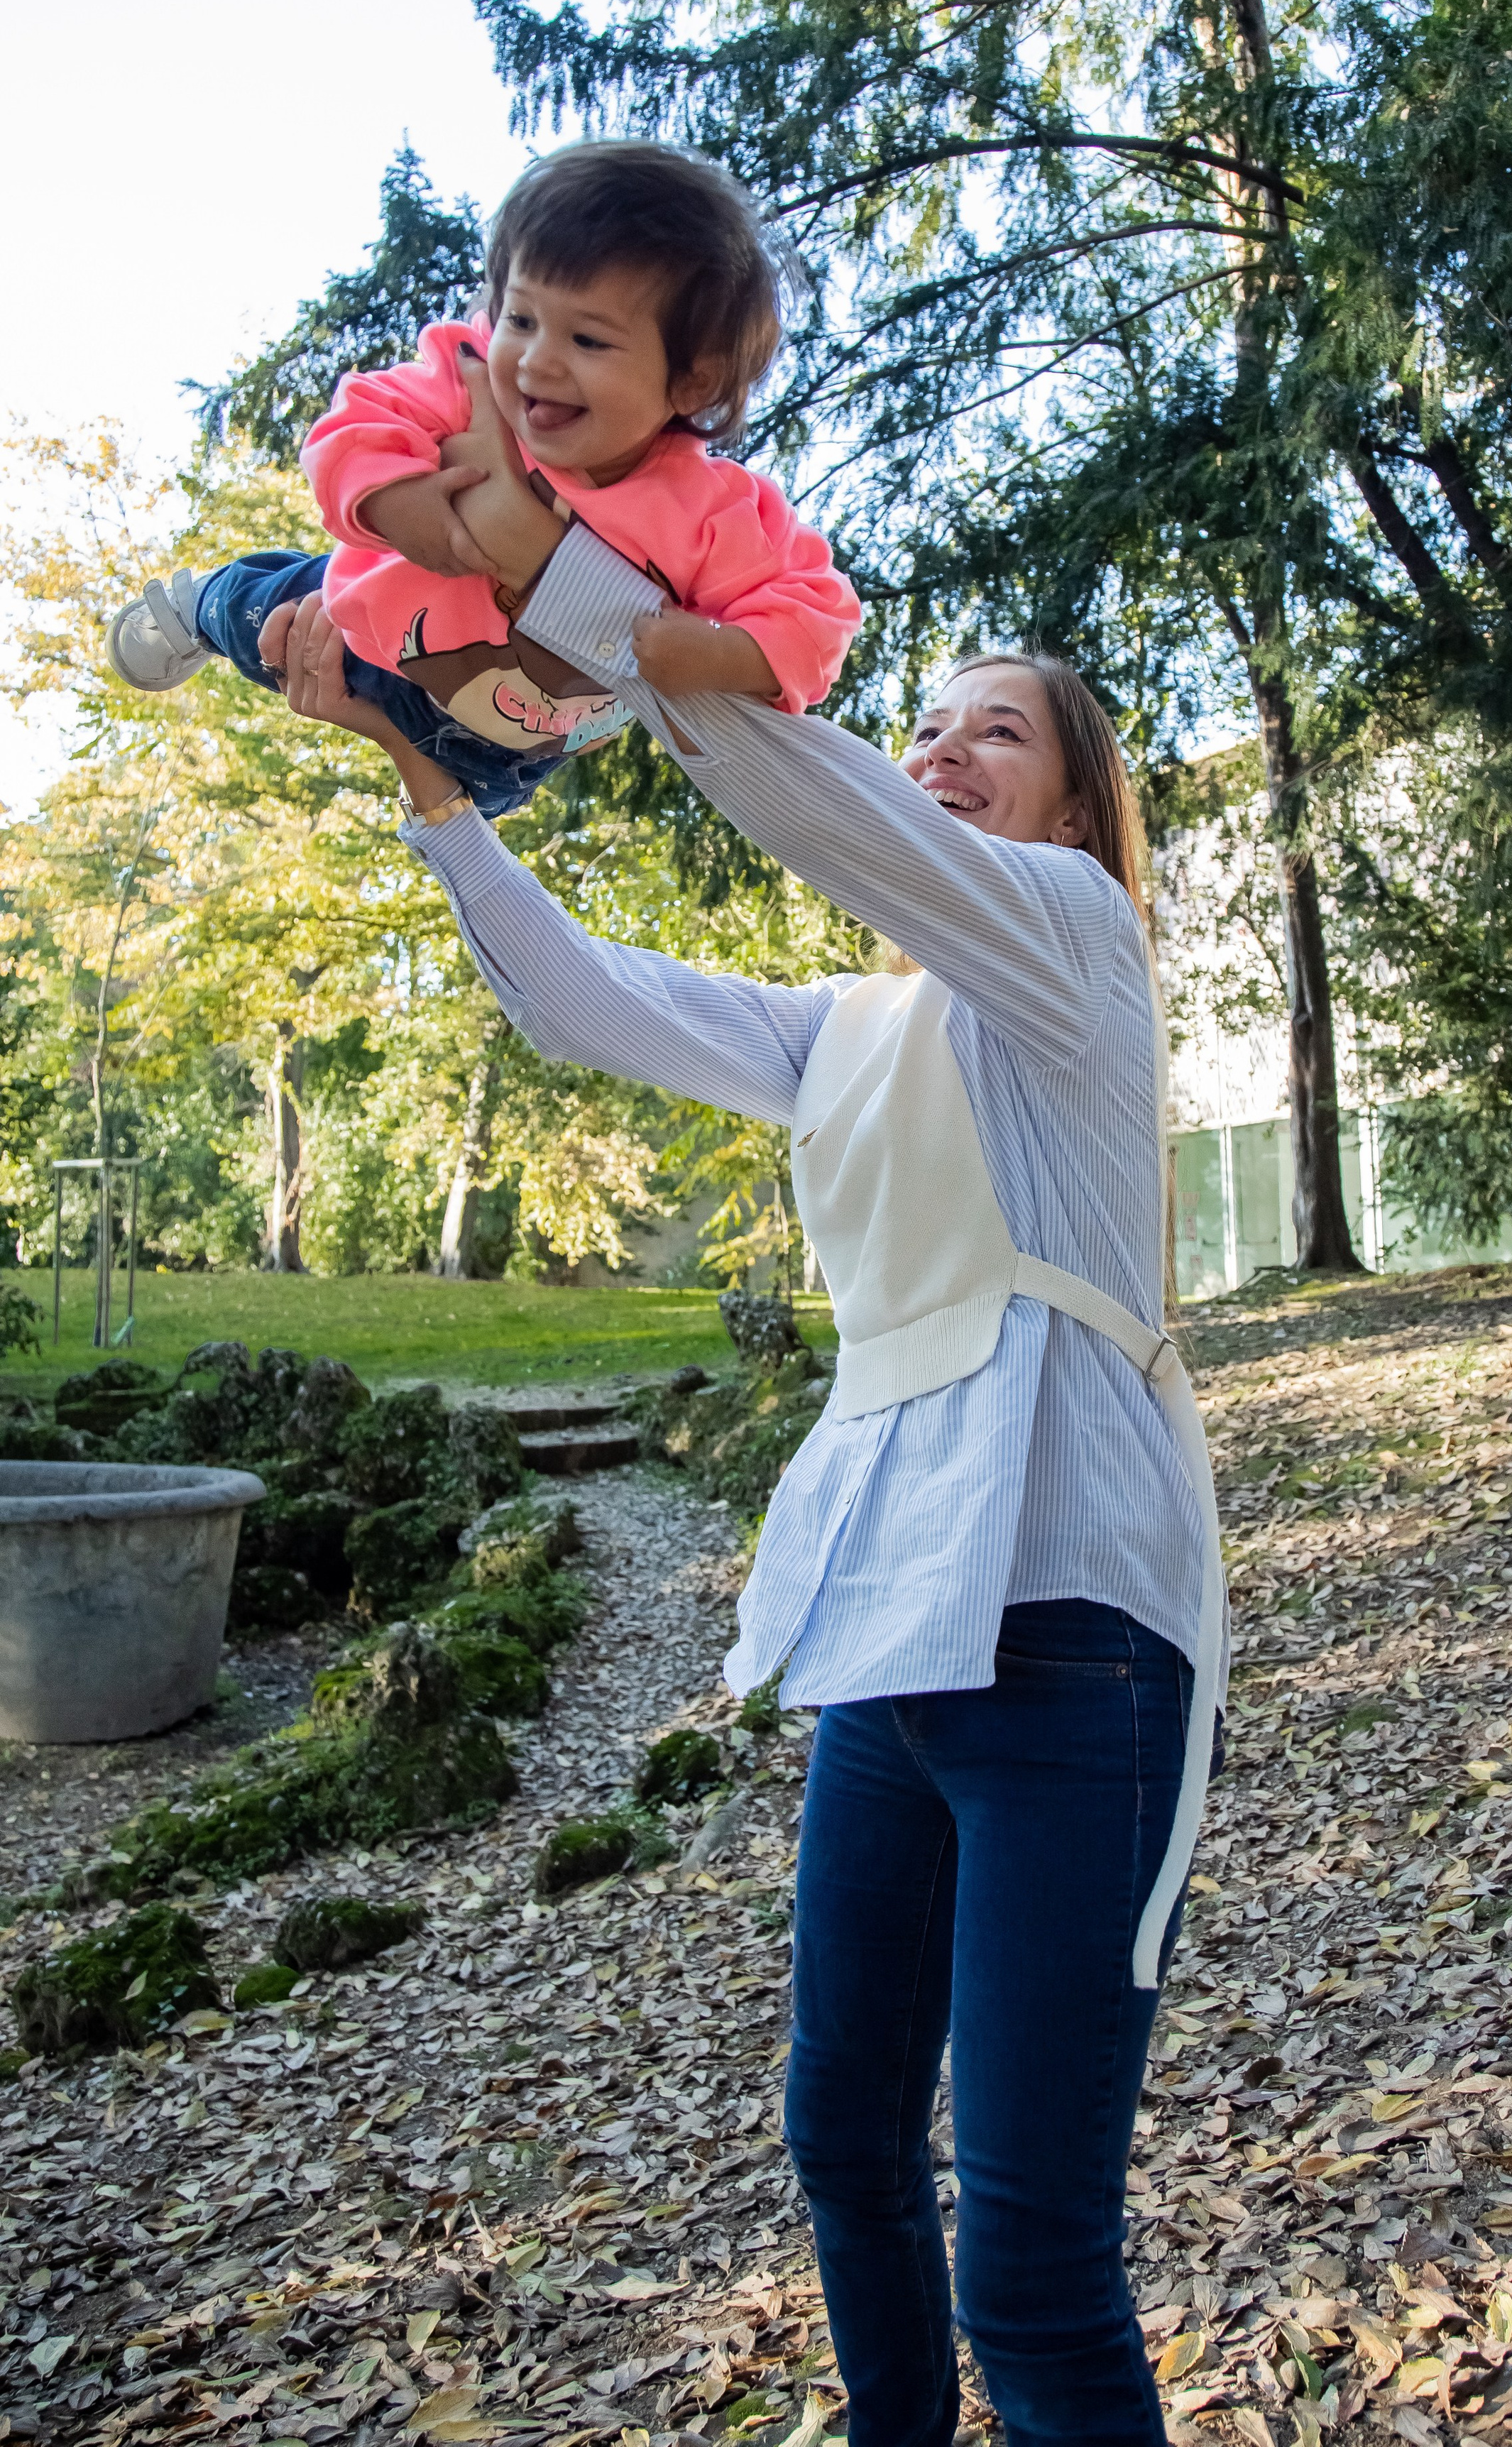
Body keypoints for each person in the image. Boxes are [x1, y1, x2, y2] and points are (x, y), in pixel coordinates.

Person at [263, 374, 1228, 2446]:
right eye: (929, 715)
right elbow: (585, 998)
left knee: (1033, 2254)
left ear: (1066, 808)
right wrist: (427, 776)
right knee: (841, 2152)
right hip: (895, 1644)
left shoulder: (1073, 938)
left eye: (999, 729)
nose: (942, 746)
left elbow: (809, 798)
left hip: (1076, 1641)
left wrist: (578, 584)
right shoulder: (846, 1027)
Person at [106, 143, 858, 817]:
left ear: (692, 382)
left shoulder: (716, 514)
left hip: (522, 738)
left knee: (477, 809)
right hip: (367, 632)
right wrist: (397, 502)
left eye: (587, 338)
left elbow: (817, 620)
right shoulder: (467, 383)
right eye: (521, 319)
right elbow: (356, 424)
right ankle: (191, 607)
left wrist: (725, 654)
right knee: (259, 610)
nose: (536, 361)